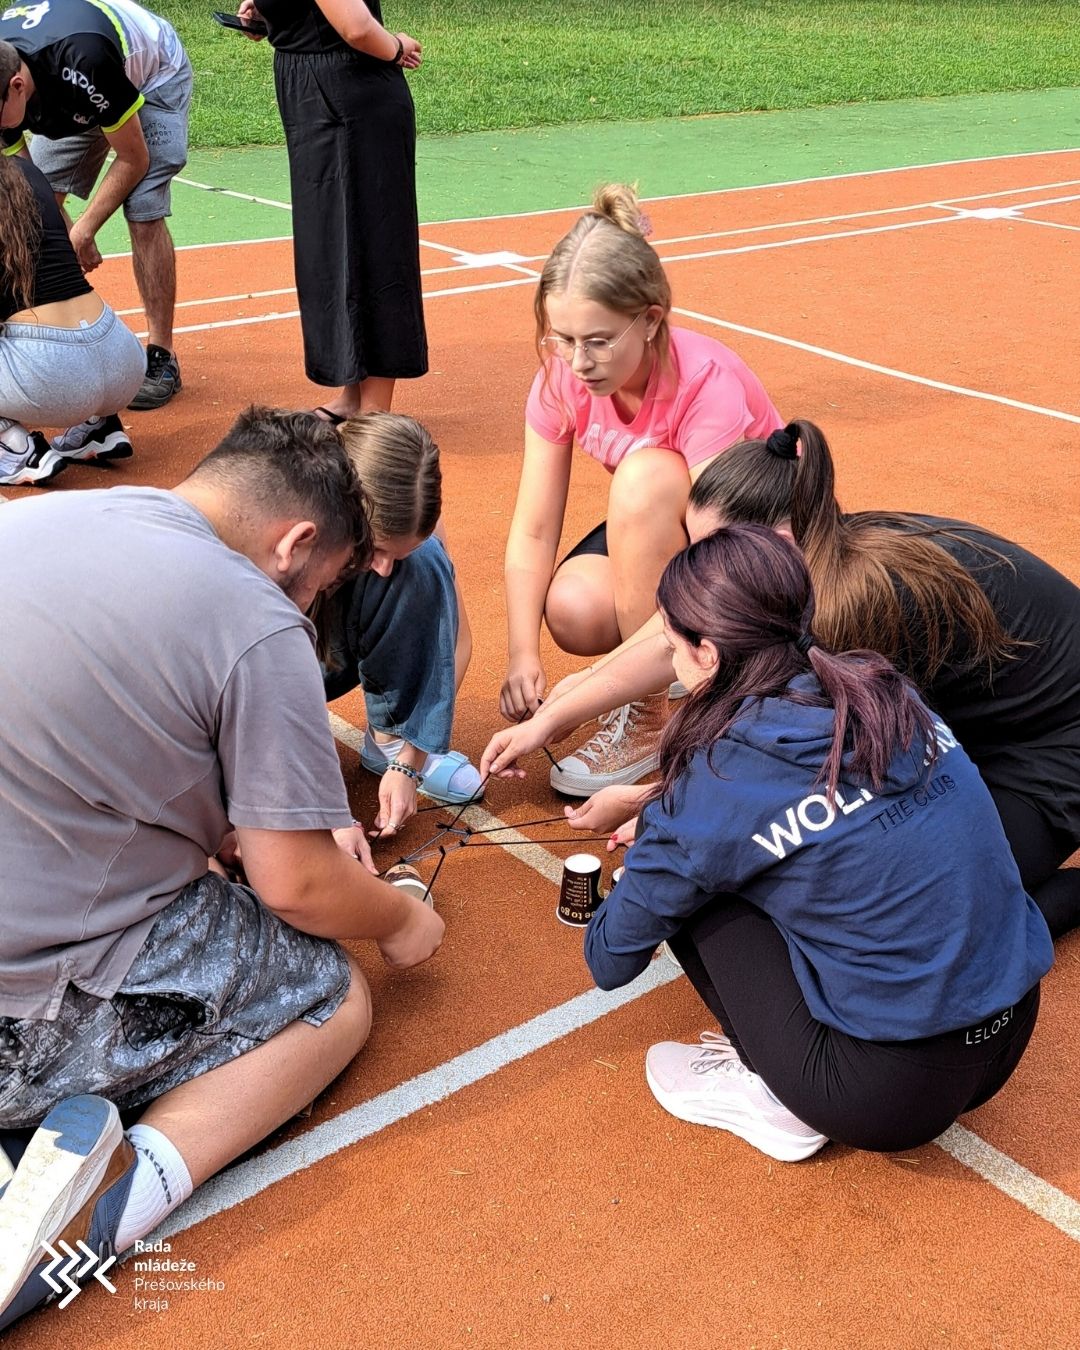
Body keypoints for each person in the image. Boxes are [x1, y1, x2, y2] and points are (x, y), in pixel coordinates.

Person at [0, 407, 444, 1331]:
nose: (313, 604)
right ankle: (94, 1212)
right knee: (330, 997)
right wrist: (399, 918)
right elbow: (297, 885)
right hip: (20, 1014)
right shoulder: (256, 620)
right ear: (296, 543)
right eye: (325, 583)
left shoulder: (52, 513)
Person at [482, 419, 1080, 941]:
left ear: (780, 543)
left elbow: (809, 774)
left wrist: (662, 806)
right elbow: (674, 636)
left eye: (717, 550)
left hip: (1053, 748)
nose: (702, 568)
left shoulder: (848, 612)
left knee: (915, 901)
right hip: (971, 717)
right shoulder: (813, 556)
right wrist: (551, 719)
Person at [580, 525, 1051, 1161]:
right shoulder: (886, 692)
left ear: (709, 654)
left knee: (696, 886)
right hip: (1011, 1030)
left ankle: (773, 1099)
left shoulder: (713, 786)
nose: (671, 662)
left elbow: (609, 960)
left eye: (672, 647)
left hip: (886, 1097)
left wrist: (657, 843)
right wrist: (666, 813)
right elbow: (828, 808)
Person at [501, 182, 782, 797]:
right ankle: (659, 679)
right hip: (680, 530)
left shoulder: (705, 382)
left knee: (645, 477)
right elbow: (534, 528)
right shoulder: (560, 380)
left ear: (650, 320)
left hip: (760, 551)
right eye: (562, 339)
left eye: (598, 341)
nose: (578, 362)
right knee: (573, 606)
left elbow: (723, 553)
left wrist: (589, 688)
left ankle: (657, 711)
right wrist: (523, 652)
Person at [235, 0, 426, 420]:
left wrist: (396, 47)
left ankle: (374, 413)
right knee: (332, 244)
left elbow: (357, 28)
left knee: (372, 245)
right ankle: (352, 395)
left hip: (351, 95)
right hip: (316, 93)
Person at [0, 1, 190, 410]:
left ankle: (162, 355)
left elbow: (134, 158)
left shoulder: (85, 59)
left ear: (16, 86)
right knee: (27, 209)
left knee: (143, 210)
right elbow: (26, 188)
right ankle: (61, 331)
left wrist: (83, 232)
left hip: (150, 77)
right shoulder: (6, 78)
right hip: (70, 92)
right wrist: (65, 232)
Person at [319, 412, 481, 833]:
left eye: (397, 552)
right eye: (376, 548)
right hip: (250, 681)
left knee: (420, 563)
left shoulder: (411, 523)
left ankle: (388, 739)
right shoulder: (277, 533)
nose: (385, 569)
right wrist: (323, 808)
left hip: (324, 652)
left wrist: (410, 759)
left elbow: (452, 643)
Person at [0, 152, 145, 486]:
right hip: (121, 355)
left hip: (52, 375)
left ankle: (15, 448)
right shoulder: (26, 171)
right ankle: (98, 426)